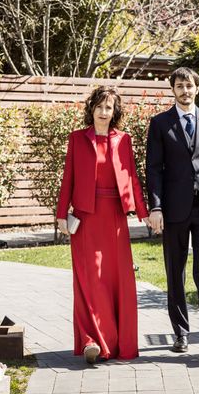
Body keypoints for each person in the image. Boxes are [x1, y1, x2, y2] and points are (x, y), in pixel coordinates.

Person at [56, 86, 150, 364]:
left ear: (114, 112)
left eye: (108, 108)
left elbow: (132, 177)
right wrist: (62, 213)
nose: (103, 112)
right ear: (92, 109)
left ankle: (118, 343)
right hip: (86, 218)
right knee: (90, 280)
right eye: (99, 106)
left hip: (115, 220)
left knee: (117, 279)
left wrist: (143, 212)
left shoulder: (124, 140)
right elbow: (68, 178)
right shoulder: (76, 139)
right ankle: (91, 342)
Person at [145, 67, 199, 358]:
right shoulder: (159, 124)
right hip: (173, 209)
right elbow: (153, 169)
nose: (185, 91)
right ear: (173, 89)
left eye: (189, 86)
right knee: (176, 273)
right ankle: (180, 334)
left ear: (197, 89)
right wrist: (155, 207)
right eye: (179, 86)